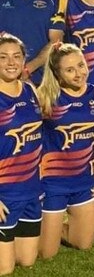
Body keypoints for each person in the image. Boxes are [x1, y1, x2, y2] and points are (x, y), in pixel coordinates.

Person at [37, 43, 94, 258]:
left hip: (84, 181)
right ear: (57, 74)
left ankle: (55, 230)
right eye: (70, 70)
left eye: (81, 65)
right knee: (46, 253)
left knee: (83, 244)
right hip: (52, 182)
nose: (79, 73)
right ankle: (39, 230)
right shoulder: (45, 97)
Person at [0, 34, 42, 275]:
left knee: (26, 261)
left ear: (24, 59)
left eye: (16, 56)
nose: (11, 62)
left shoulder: (29, 90)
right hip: (4, 195)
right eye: (3, 57)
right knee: (4, 269)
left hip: (31, 192)